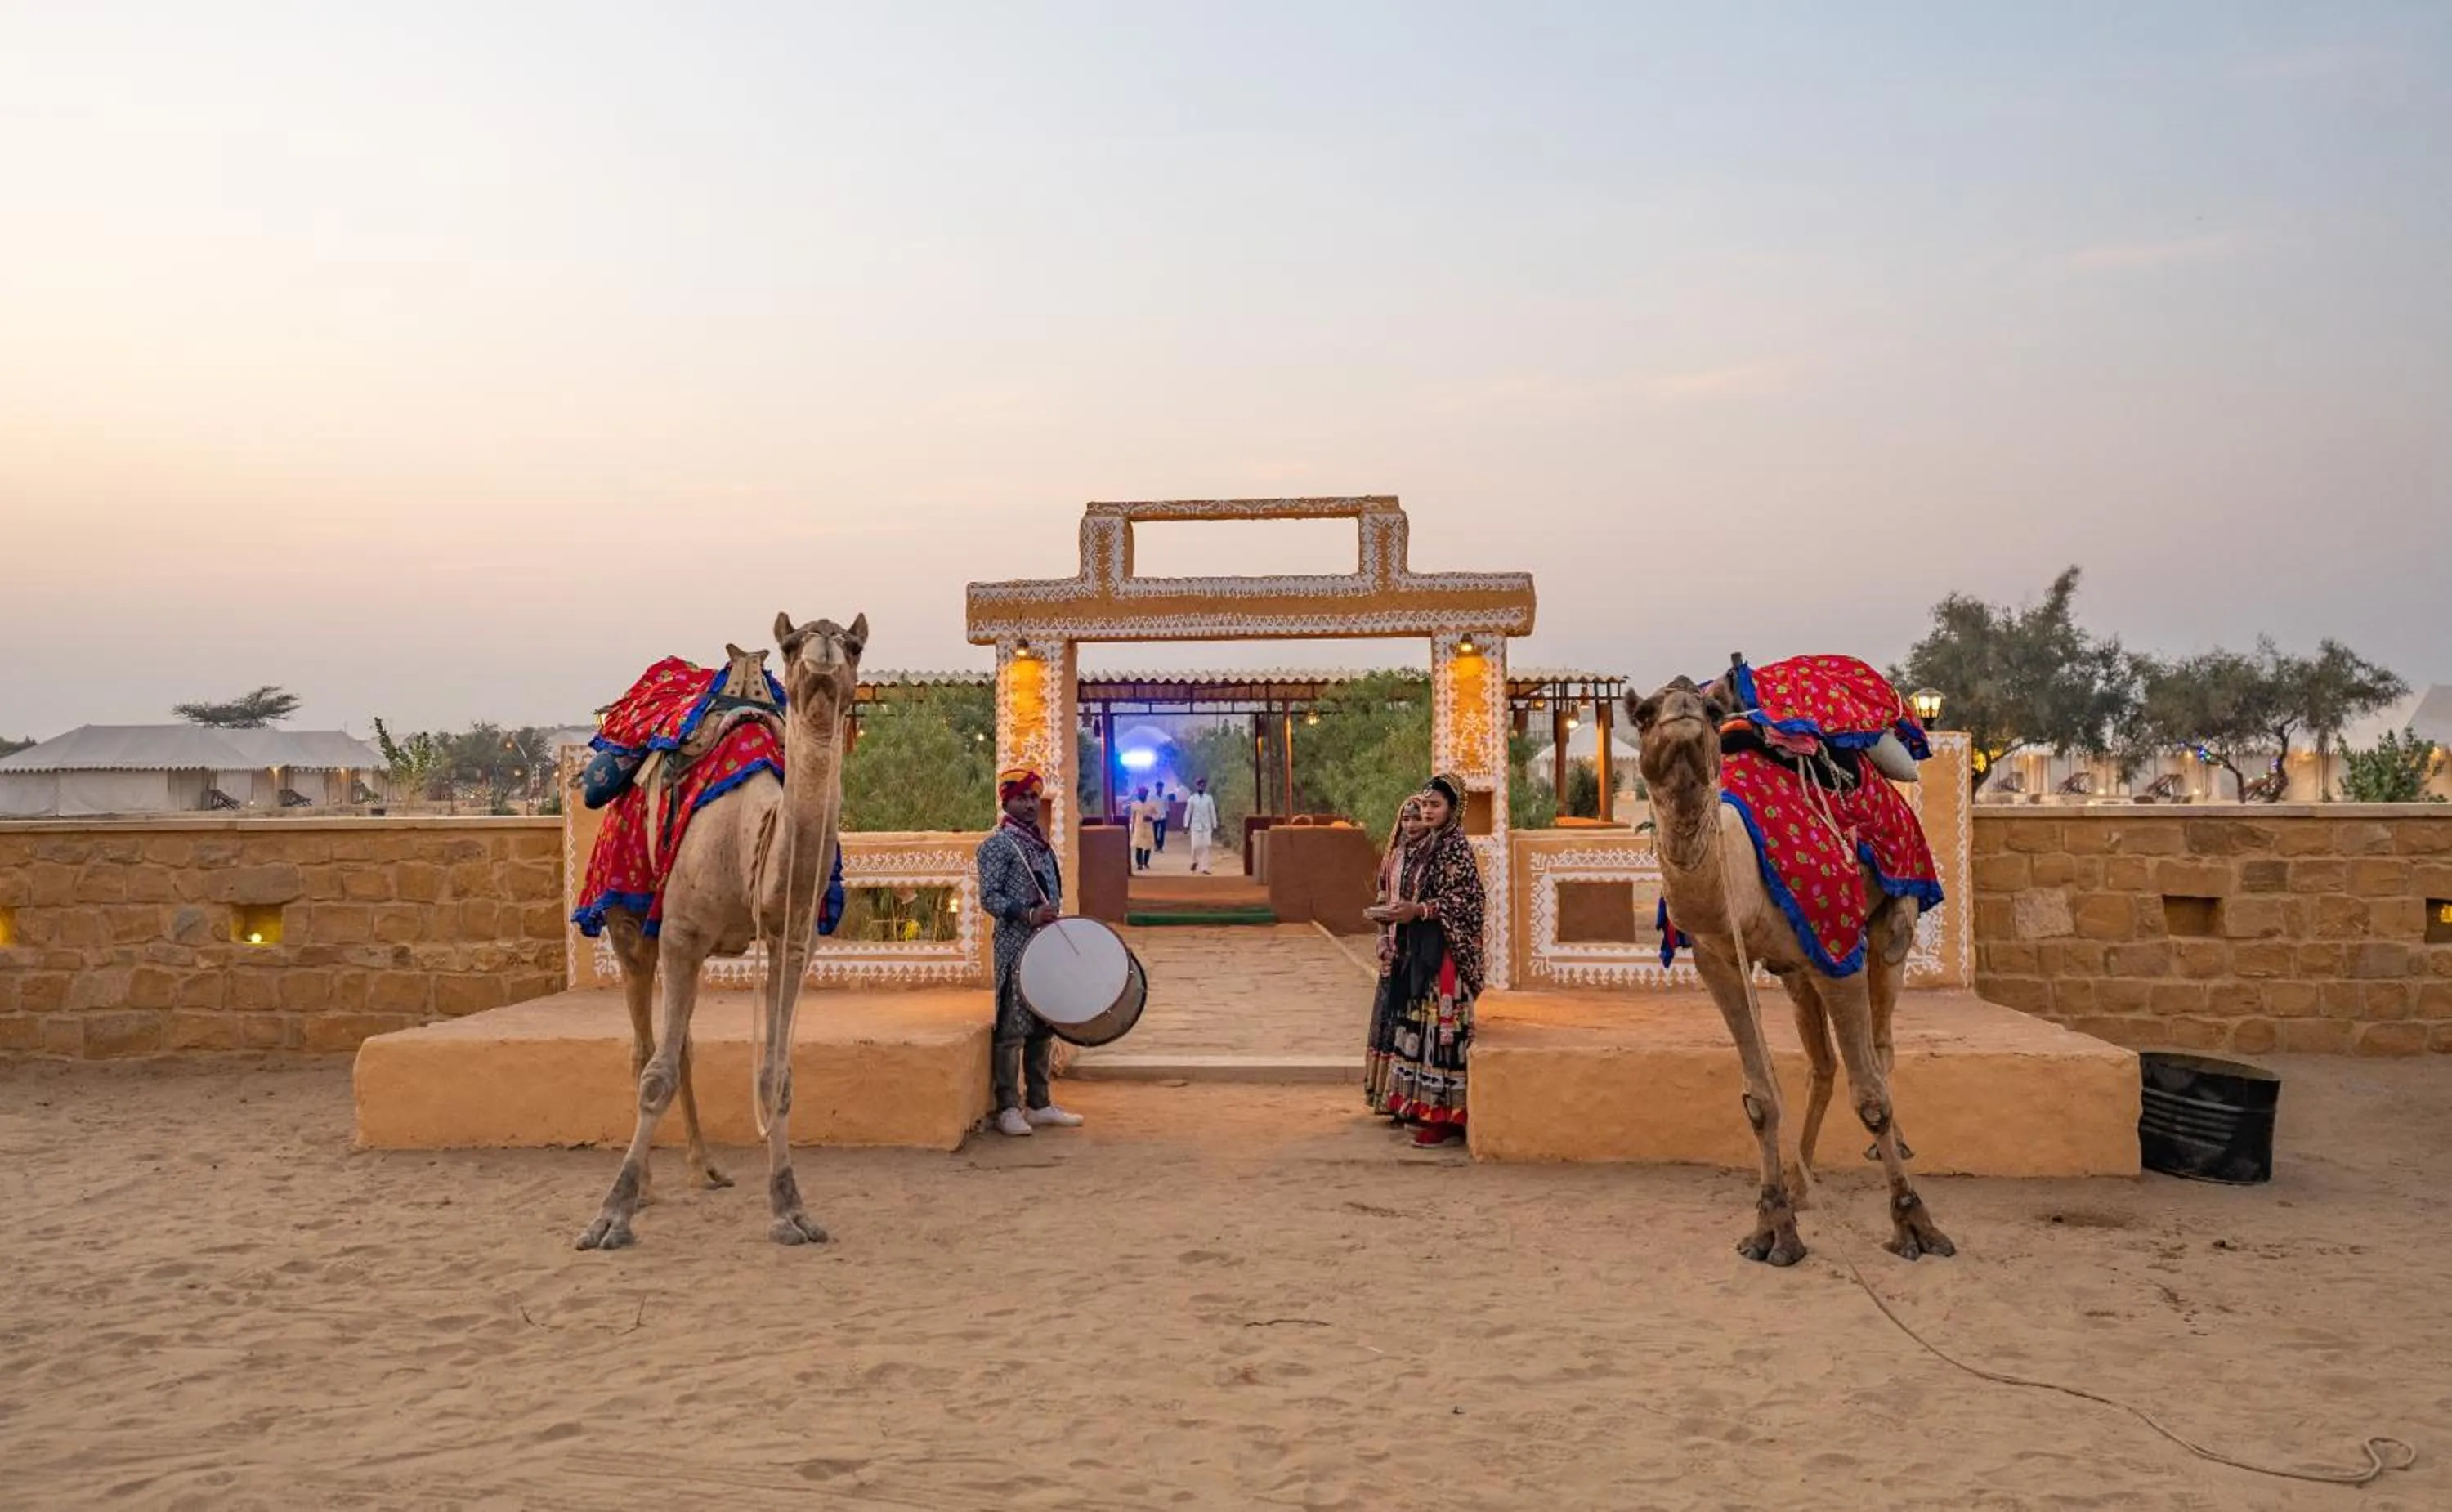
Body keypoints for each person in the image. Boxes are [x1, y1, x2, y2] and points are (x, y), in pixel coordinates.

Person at [1377, 773, 1486, 1147]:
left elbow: (1469, 901)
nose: (1427, 811)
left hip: (1446, 955)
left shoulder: (1456, 847)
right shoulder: (1429, 845)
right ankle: (1424, 1109)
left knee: (1444, 1031)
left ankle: (1448, 1118)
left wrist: (1421, 909)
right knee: (1421, 1028)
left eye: (1435, 805)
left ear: (1453, 809)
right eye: (1424, 805)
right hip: (1422, 950)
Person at [975, 767, 1084, 1138]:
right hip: (1014, 947)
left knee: (1042, 1025)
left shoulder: (1039, 844)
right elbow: (989, 898)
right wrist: (1028, 914)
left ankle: (1039, 1104)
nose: (1030, 804)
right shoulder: (997, 845)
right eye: (1022, 798)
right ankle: (1008, 1107)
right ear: (1006, 801)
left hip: (1045, 947)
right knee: (1012, 1028)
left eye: (1035, 797)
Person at [1364, 794, 1429, 1117]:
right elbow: (1382, 900)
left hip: (1419, 953)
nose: (1411, 825)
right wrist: (1381, 941)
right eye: (1406, 819)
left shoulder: (1433, 858)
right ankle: (1386, 1098)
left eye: (1417, 818)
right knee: (1389, 1022)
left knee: (1412, 1025)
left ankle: (1410, 1101)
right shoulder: (1394, 858)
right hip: (1393, 951)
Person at [1184, 776, 1219, 875]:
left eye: (1203, 785)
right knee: (1195, 846)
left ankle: (1204, 868)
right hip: (1195, 825)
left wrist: (1215, 825)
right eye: (1200, 785)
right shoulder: (1192, 799)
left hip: (1207, 825)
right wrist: (1186, 825)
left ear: (1205, 786)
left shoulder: (1209, 798)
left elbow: (1212, 812)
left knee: (1206, 846)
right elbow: (1188, 812)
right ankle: (1194, 861)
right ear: (1197, 786)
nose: (1201, 787)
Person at [1128, 785, 1157, 871]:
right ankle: (1139, 864)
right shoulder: (1134, 804)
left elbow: (1157, 815)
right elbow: (1132, 817)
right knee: (1139, 846)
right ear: (1138, 794)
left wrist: (1151, 818)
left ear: (1147, 794)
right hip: (1139, 827)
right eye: (1141, 793)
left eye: (1144, 793)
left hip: (1148, 827)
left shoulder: (1151, 804)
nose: (1142, 795)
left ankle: (1146, 862)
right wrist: (1132, 828)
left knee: (1148, 846)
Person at [1152, 785, 1171, 852]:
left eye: (1161, 787)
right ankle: (1156, 845)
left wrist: (1168, 817)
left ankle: (1160, 847)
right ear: (1156, 788)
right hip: (1155, 817)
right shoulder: (1153, 797)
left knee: (1162, 832)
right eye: (1158, 787)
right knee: (1155, 832)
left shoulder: (1165, 797)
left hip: (1163, 816)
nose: (1160, 788)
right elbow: (1151, 807)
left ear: (1162, 788)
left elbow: (1167, 807)